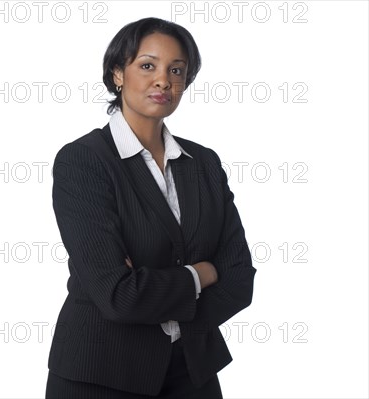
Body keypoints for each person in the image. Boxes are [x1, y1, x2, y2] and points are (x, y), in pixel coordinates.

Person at [45, 17, 256, 398]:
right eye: (147, 66)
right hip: (102, 371)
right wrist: (201, 274)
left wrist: (153, 292)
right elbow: (117, 295)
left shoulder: (204, 163)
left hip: (192, 370)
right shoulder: (83, 161)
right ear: (117, 74)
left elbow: (240, 279)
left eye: (177, 70)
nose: (164, 80)